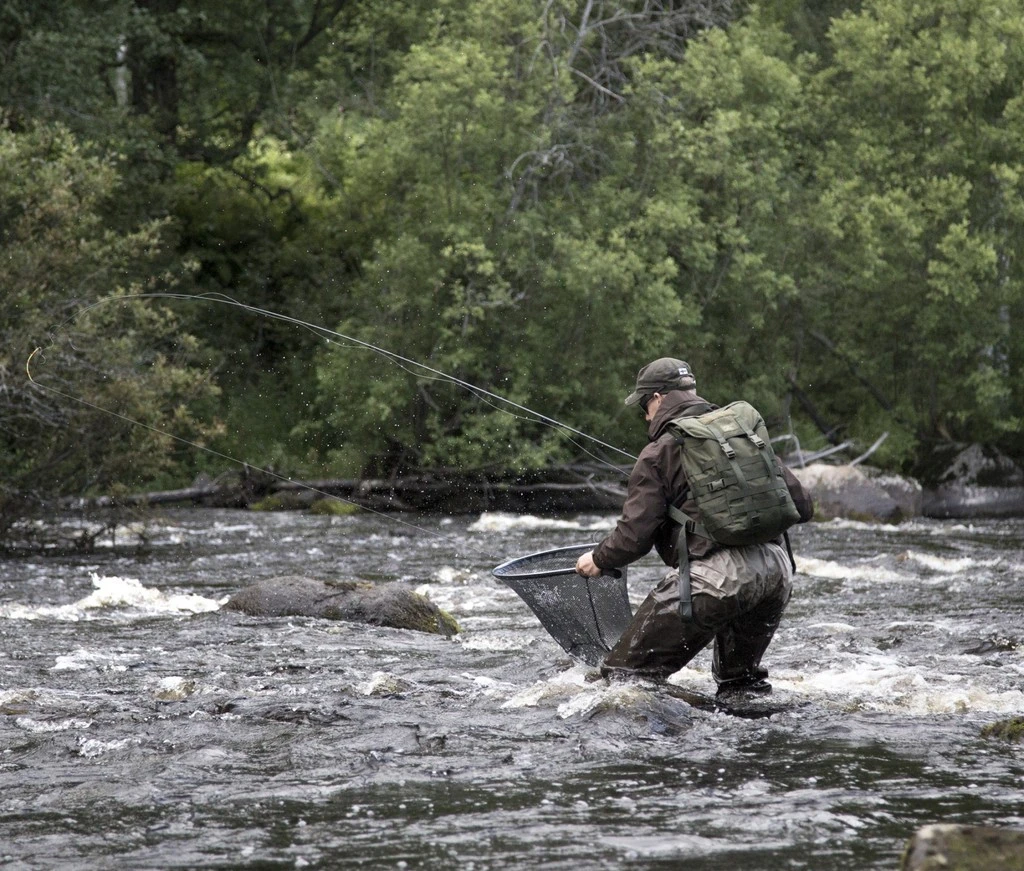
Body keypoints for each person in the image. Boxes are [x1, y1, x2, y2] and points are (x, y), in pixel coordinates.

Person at [575, 357, 814, 695]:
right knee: (741, 686)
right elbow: (803, 506)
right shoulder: (742, 435)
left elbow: (634, 537)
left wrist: (598, 559)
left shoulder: (657, 452)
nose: (646, 416)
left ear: (658, 398)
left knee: (623, 681)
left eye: (644, 406)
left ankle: (683, 724)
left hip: (716, 580)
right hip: (776, 572)